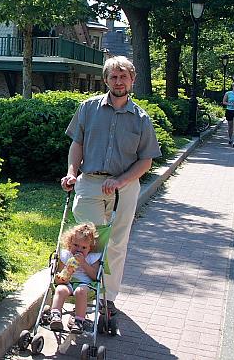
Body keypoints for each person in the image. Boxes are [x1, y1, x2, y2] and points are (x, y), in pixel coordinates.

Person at [61, 56, 162, 316]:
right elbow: (77, 144)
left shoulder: (141, 118)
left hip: (124, 187)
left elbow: (146, 160)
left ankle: (107, 297)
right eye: (113, 77)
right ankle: (80, 291)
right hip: (90, 182)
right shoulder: (88, 108)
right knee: (87, 241)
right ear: (106, 80)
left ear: (132, 80)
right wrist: (71, 173)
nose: (119, 82)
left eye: (123, 76)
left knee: (116, 243)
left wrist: (120, 180)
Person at [49, 223, 102, 333]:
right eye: (76, 245)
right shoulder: (65, 255)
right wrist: (62, 277)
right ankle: (55, 316)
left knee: (80, 291)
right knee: (60, 289)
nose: (79, 249)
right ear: (69, 243)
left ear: (90, 248)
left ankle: (79, 321)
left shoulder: (92, 258)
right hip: (67, 283)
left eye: (84, 247)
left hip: (85, 284)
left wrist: (83, 263)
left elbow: (95, 276)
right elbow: (58, 277)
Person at [223, 81, 234, 146]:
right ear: (232, 87)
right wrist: (230, 104)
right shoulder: (228, 93)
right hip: (229, 111)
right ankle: (230, 138)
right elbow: (224, 102)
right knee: (230, 126)